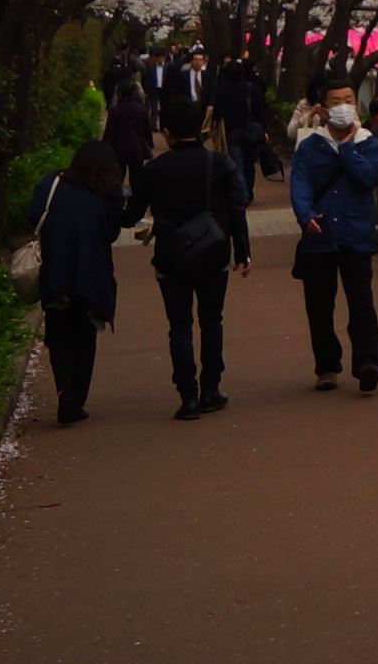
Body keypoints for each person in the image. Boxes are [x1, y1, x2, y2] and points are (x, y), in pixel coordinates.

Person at [136, 109, 251, 421]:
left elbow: (132, 210)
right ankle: (211, 389)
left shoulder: (155, 169)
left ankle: (187, 396)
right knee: (212, 321)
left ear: (168, 133)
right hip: (213, 252)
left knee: (179, 326)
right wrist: (242, 251)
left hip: (171, 255)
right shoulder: (220, 163)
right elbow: (236, 208)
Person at [290, 86, 378, 392]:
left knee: (361, 302)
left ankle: (367, 362)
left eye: (348, 101)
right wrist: (305, 215)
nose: (343, 107)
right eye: (336, 102)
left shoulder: (367, 143)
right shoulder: (310, 145)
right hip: (320, 235)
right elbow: (300, 183)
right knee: (319, 306)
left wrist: (347, 150)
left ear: (357, 106)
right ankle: (327, 366)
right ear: (323, 109)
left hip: (356, 234)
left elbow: (371, 177)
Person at [31, 140, 135, 425]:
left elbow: (33, 216)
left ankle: (64, 390)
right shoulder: (109, 193)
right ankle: (77, 399)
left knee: (59, 333)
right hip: (92, 274)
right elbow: (112, 233)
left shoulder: (51, 183)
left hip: (56, 270)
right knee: (85, 334)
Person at [213, 54, 273, 190]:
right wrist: (264, 129)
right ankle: (249, 192)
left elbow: (217, 112)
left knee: (237, 163)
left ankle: (243, 193)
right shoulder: (251, 88)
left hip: (232, 130)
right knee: (249, 164)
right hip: (252, 131)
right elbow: (260, 110)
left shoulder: (222, 90)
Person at [101, 66, 160, 181]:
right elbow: (146, 129)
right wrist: (150, 144)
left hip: (118, 148)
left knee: (118, 177)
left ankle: (120, 195)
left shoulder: (115, 111)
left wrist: (104, 146)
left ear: (119, 94)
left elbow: (109, 131)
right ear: (134, 93)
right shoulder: (142, 110)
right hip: (136, 147)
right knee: (136, 177)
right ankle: (134, 196)